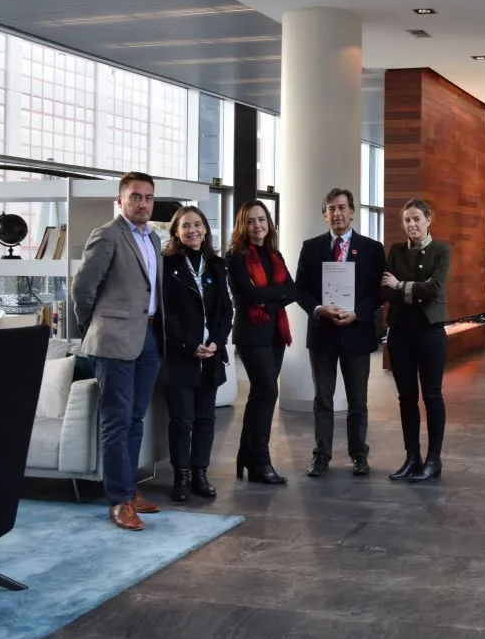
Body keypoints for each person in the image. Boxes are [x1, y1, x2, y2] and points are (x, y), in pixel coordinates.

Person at [71, 171, 163, 530]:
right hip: (112, 340)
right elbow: (83, 289)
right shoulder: (107, 235)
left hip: (149, 337)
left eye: (148, 197)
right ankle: (118, 500)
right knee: (116, 420)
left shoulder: (153, 238)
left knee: (136, 418)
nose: (143, 203)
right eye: (135, 196)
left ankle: (130, 489)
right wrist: (94, 326)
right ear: (120, 199)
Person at [295, 188, 386, 477]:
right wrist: (318, 309)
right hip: (322, 334)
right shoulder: (311, 247)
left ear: (352, 212)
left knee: (358, 400)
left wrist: (357, 312)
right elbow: (300, 289)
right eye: (331, 209)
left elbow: (378, 292)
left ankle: (359, 455)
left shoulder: (372, 249)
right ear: (325, 215)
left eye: (342, 207)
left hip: (357, 333)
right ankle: (321, 455)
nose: (337, 213)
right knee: (323, 399)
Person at [161, 205, 233, 502]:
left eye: (197, 225)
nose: (192, 230)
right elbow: (165, 313)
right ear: (176, 232)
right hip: (180, 356)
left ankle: (200, 474)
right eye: (186, 226)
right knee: (182, 420)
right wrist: (190, 344)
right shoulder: (167, 266)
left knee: (206, 419)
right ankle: (182, 476)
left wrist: (216, 341)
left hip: (211, 355)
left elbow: (226, 310)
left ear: (205, 230)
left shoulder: (216, 265)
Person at [380, 199, 451, 482]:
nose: (412, 224)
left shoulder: (441, 250)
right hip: (400, 333)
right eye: (407, 220)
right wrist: (411, 290)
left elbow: (434, 289)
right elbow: (385, 292)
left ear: (428, 219)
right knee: (406, 397)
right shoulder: (396, 251)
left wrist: (400, 285)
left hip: (430, 332)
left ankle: (434, 459)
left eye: (417, 219)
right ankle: (412, 457)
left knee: (432, 395)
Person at [226, 199, 295, 485]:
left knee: (260, 395)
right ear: (243, 225)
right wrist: (274, 296)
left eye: (262, 219)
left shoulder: (274, 254)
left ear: (269, 223)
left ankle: (247, 454)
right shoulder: (235, 257)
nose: (257, 225)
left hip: (275, 334)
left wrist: (268, 299)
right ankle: (260, 462)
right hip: (252, 335)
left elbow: (291, 290)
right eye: (251, 221)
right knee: (267, 391)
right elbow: (249, 295)